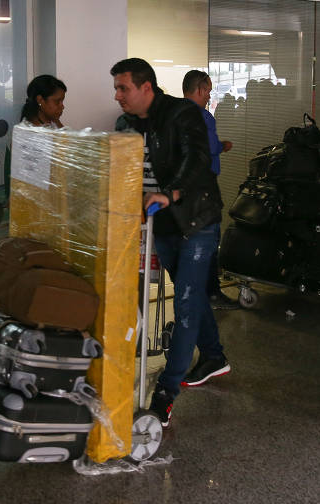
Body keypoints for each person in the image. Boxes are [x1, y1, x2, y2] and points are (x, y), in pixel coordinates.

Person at [111, 58, 229, 428]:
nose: (117, 96)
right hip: (162, 223)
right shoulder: (129, 124)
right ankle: (214, 356)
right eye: (116, 88)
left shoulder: (182, 114)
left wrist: (170, 192)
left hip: (194, 220)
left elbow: (197, 161)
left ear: (146, 87)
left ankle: (165, 393)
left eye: (123, 88)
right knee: (189, 293)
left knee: (187, 302)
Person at [181, 69, 238, 311]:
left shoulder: (174, 113)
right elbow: (211, 146)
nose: (209, 95)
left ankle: (193, 290)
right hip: (204, 187)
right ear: (201, 90)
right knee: (209, 238)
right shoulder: (203, 117)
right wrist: (224, 145)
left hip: (183, 188)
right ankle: (212, 293)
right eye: (209, 90)